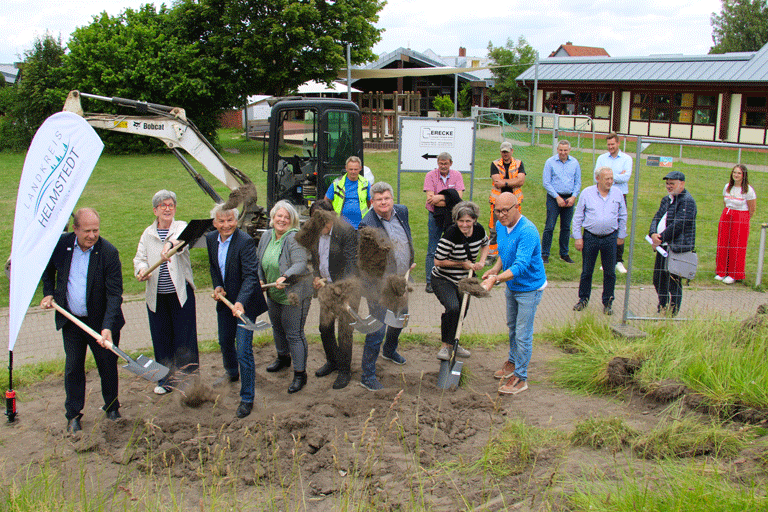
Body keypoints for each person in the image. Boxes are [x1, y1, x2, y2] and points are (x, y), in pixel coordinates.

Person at [40, 208, 125, 434]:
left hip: (101, 323)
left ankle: (112, 407)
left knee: (107, 366)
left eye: (96, 230)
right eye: (87, 230)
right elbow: (46, 269)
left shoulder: (108, 253)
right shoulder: (61, 245)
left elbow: (115, 294)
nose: (92, 235)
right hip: (73, 322)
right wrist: (48, 292)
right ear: (75, 229)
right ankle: (73, 415)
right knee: (73, 367)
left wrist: (107, 327)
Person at [134, 190, 199, 395]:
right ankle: (165, 380)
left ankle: (189, 380)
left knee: (185, 338)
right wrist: (141, 270)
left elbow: (181, 240)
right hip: (157, 297)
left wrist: (169, 245)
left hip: (181, 295)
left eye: (171, 205)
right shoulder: (148, 233)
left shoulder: (180, 227)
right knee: (161, 338)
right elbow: (140, 258)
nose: (168, 208)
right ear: (155, 210)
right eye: (163, 206)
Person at [481, 193, 546, 396]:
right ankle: (513, 361)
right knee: (512, 327)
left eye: (505, 210)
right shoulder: (500, 226)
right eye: (497, 211)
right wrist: (495, 269)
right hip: (512, 285)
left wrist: (496, 279)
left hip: (529, 287)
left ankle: (521, 376)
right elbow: (505, 252)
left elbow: (520, 265)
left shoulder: (527, 231)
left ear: (517, 207)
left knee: (523, 332)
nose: (501, 215)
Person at [206, 205, 268, 418]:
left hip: (246, 302)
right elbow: (215, 267)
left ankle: (247, 397)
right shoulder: (210, 239)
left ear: (236, 220)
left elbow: (251, 276)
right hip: (225, 301)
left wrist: (240, 302)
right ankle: (232, 373)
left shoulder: (245, 242)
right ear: (214, 223)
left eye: (230, 220)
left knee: (243, 349)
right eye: (221, 221)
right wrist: (217, 286)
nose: (226, 225)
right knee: (224, 341)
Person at [358, 181, 415, 391]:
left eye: (387, 198)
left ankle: (389, 351)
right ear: (372, 202)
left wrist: (409, 260)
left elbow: (405, 237)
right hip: (378, 285)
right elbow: (366, 261)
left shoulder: (402, 211)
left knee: (401, 316)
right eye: (379, 199)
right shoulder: (367, 225)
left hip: (402, 278)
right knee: (377, 328)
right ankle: (367, 375)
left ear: (392, 198)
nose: (384, 202)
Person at [256, 200, 313, 393]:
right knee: (278, 328)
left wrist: (285, 276)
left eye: (286, 217)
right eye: (279, 216)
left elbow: (300, 263)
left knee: (294, 333)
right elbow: (259, 261)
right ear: (272, 218)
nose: (282, 220)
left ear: (292, 221)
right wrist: (261, 280)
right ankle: (283, 358)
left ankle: (300, 374)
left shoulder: (294, 238)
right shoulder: (266, 237)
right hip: (273, 293)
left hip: (294, 294)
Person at [307, 201, 358, 389]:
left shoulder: (347, 232)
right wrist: (316, 277)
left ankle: (345, 370)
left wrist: (343, 290)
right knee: (325, 327)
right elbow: (315, 261)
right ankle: (333, 361)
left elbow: (352, 263)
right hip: (326, 287)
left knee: (345, 331)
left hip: (347, 286)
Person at [432, 201, 489, 361]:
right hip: (443, 278)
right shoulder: (451, 234)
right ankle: (445, 346)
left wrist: (482, 262)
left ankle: (454, 344)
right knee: (453, 308)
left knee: (461, 312)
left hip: (466, 279)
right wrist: (461, 264)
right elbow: (437, 261)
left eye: (468, 221)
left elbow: (486, 244)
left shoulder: (479, 230)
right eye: (461, 221)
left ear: (474, 220)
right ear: (456, 221)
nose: (464, 224)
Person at [571, 167, 627, 315]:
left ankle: (608, 302)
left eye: (611, 178)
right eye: (606, 179)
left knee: (610, 272)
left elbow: (623, 215)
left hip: (610, 238)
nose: (610, 181)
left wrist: (621, 235)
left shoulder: (617, 193)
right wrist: (578, 237)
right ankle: (583, 299)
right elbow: (578, 217)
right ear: (598, 179)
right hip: (590, 237)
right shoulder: (587, 193)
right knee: (587, 271)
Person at [649, 171, 697, 317]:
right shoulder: (666, 200)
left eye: (672, 183)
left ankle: (673, 312)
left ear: (681, 184)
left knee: (673, 281)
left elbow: (679, 224)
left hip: (676, 248)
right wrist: (653, 234)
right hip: (662, 247)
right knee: (658, 279)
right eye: (667, 183)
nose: (669, 186)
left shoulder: (687, 201)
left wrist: (661, 238)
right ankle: (662, 305)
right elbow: (657, 217)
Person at [423, 152, 465, 293]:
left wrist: (439, 197)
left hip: (452, 216)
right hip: (435, 216)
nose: (443, 166)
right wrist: (449, 197)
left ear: (450, 163)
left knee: (451, 248)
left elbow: (458, 198)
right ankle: (429, 281)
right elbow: (430, 200)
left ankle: (449, 279)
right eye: (441, 163)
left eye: (446, 163)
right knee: (432, 248)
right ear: (437, 163)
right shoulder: (430, 176)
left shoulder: (457, 175)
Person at [595, 132, 632, 274]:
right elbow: (596, 176)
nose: (610, 147)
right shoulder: (601, 158)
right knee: (605, 226)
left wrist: (607, 177)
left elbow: (626, 177)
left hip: (620, 196)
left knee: (620, 226)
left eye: (613, 144)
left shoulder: (627, 159)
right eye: (608, 144)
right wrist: (616, 176)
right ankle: (606, 260)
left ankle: (618, 260)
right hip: (603, 196)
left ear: (618, 143)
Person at [541, 140, 581, 264]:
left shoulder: (574, 163)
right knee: (550, 226)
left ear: (569, 150)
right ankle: (545, 254)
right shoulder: (550, 162)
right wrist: (557, 197)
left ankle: (564, 254)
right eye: (560, 150)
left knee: (566, 228)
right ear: (557, 150)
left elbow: (577, 182)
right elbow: (546, 182)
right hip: (554, 198)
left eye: (565, 150)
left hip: (569, 199)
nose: (563, 152)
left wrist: (574, 196)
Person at [715, 164, 756, 284]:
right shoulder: (727, 187)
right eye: (734, 172)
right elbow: (725, 202)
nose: (736, 175)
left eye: (739, 173)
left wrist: (743, 219)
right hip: (727, 215)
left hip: (741, 217)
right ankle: (721, 271)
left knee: (736, 244)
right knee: (723, 242)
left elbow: (752, 208)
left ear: (743, 175)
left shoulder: (748, 190)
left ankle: (734, 274)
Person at [488, 141, 526, 258]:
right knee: (494, 228)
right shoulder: (494, 164)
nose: (505, 154)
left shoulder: (519, 163)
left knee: (514, 226)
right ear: (500, 152)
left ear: (512, 151)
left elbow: (521, 181)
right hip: (497, 202)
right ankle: (492, 255)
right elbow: (497, 183)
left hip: (514, 202)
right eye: (503, 152)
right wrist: (512, 182)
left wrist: (504, 182)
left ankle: (510, 253)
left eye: (507, 152)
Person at [325, 155, 371, 229]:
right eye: (351, 169)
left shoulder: (366, 183)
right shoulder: (336, 184)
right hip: (341, 226)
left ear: (360, 168)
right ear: (346, 168)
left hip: (361, 225)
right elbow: (326, 201)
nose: (353, 172)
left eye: (355, 169)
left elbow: (369, 202)